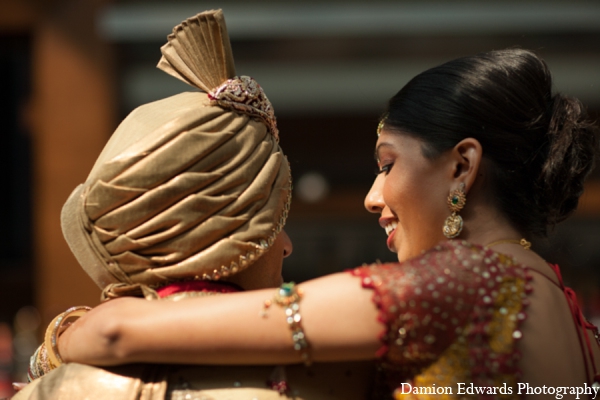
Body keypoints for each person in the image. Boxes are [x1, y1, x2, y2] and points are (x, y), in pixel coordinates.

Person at [47, 47, 600, 399]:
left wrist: (64, 334)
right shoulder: (565, 311)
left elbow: (117, 334)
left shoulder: (464, 286)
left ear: (462, 166)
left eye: (388, 165)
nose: (371, 196)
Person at [14, 10, 375, 400]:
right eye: (272, 219)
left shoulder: (57, 385)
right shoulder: (330, 379)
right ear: (221, 232)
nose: (286, 244)